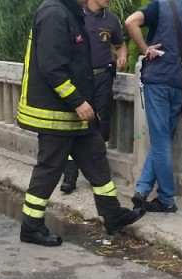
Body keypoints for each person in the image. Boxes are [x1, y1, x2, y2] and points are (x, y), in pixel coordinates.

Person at [16, 0, 145, 247]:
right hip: (57, 113)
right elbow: (51, 67)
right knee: (50, 168)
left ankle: (113, 215)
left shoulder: (70, 12)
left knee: (96, 157)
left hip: (75, 114)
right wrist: (77, 101)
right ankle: (31, 226)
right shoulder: (54, 13)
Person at [124, 0, 182, 213]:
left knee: (160, 141)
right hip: (181, 84)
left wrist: (144, 49)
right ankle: (143, 189)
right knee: (162, 139)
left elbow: (130, 22)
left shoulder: (161, 6)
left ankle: (166, 198)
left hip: (159, 81)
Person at [58, 0, 129, 194]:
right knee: (78, 125)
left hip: (103, 77)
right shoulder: (76, 15)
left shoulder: (111, 20)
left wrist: (122, 56)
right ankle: (70, 177)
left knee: (102, 124)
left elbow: (120, 45)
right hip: (80, 79)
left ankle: (96, 174)